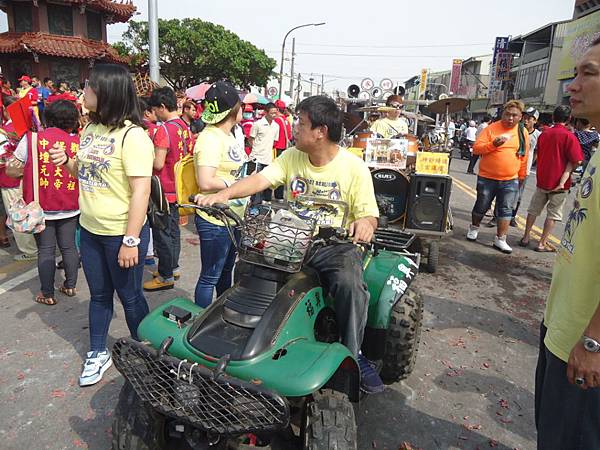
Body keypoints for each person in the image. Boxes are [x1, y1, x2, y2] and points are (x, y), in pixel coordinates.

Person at [195, 95, 386, 394]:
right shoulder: (292, 156)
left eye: (301, 122)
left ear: (320, 132)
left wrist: (364, 224)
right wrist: (224, 195)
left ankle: (353, 352)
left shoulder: (354, 168)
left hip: (333, 246)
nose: (294, 127)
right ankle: (245, 337)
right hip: (291, 238)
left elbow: (368, 216)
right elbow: (260, 180)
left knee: (350, 284)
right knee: (247, 264)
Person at [49, 64, 153, 387]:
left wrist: (131, 240)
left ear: (106, 92)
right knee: (98, 295)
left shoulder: (133, 136)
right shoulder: (90, 130)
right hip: (90, 231)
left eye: (89, 87)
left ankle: (148, 351)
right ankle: (98, 352)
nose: (84, 92)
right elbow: (83, 171)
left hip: (122, 234)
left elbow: (141, 190)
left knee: (131, 296)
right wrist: (64, 161)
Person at [535, 36, 600, 450]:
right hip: (564, 329)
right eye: (575, 73)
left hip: (586, 344)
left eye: (588, 73)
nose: (572, 86)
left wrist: (594, 341)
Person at [9, 100, 80, 305]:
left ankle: (47, 293)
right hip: (70, 205)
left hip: (40, 207)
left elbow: (13, 169)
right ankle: (70, 285)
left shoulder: (31, 139)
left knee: (46, 249)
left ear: (48, 118)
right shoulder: (77, 141)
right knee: (68, 248)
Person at [192, 80, 246, 308]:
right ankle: (198, 322)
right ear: (234, 109)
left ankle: (220, 315)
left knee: (225, 273)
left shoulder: (231, 135)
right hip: (214, 218)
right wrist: (232, 183)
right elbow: (205, 181)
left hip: (232, 216)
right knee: (210, 276)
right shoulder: (210, 138)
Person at [143, 87, 192, 291]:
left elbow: (158, 163)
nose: (155, 113)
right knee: (173, 232)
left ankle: (165, 276)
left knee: (162, 233)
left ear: (162, 107)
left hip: (163, 189)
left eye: (155, 109)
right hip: (179, 187)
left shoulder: (164, 129)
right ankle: (173, 267)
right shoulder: (184, 126)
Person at [466, 100, 529, 254]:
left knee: (506, 209)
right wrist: (493, 144)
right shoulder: (491, 129)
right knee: (482, 204)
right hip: (487, 177)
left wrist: (521, 176)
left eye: (515, 115)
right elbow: (476, 149)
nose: (510, 118)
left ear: (520, 117)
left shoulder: (522, 132)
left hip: (510, 179)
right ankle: (474, 228)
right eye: (507, 114)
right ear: (502, 114)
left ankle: (501, 239)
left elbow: (524, 156)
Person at [519, 106, 583, 252]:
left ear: (553, 117)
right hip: (560, 183)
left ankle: (526, 237)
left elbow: (538, 153)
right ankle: (542, 243)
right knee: (553, 214)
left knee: (533, 210)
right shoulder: (569, 137)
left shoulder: (544, 134)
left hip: (543, 179)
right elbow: (577, 160)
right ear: (569, 119)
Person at [0, 96, 38, 260]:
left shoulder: (5, 131)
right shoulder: (28, 127)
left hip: (9, 178)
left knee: (16, 213)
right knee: (28, 211)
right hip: (27, 175)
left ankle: (29, 251)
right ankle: (35, 245)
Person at [510, 107, 542, 225]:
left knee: (519, 194)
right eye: (525, 118)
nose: (526, 120)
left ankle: (512, 216)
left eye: (529, 118)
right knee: (504, 190)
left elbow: (538, 151)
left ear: (535, 121)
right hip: (511, 166)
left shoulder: (538, 135)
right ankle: (497, 216)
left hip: (525, 170)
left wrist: (531, 162)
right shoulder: (516, 130)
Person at [249, 102, 279, 202]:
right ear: (265, 112)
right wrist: (256, 149)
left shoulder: (276, 126)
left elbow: (275, 141)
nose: (274, 115)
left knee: (266, 183)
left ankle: (263, 202)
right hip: (256, 158)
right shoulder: (257, 124)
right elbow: (251, 139)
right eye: (272, 113)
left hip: (268, 158)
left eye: (275, 113)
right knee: (253, 183)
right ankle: (253, 203)